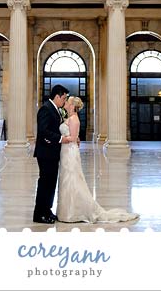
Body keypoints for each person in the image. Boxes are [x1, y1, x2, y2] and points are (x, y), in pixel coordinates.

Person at [56, 96, 140, 224]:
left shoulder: (74, 119)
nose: (65, 103)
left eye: (67, 101)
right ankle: (67, 210)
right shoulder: (69, 118)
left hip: (70, 152)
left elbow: (72, 138)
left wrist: (60, 139)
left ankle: (73, 212)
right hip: (66, 151)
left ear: (72, 106)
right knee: (66, 179)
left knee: (72, 179)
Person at [32, 85, 73, 224]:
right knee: (45, 183)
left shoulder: (55, 109)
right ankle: (39, 214)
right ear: (57, 96)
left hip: (52, 153)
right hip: (45, 153)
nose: (64, 101)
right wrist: (62, 139)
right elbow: (43, 131)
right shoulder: (46, 109)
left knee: (50, 183)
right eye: (64, 98)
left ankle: (47, 210)